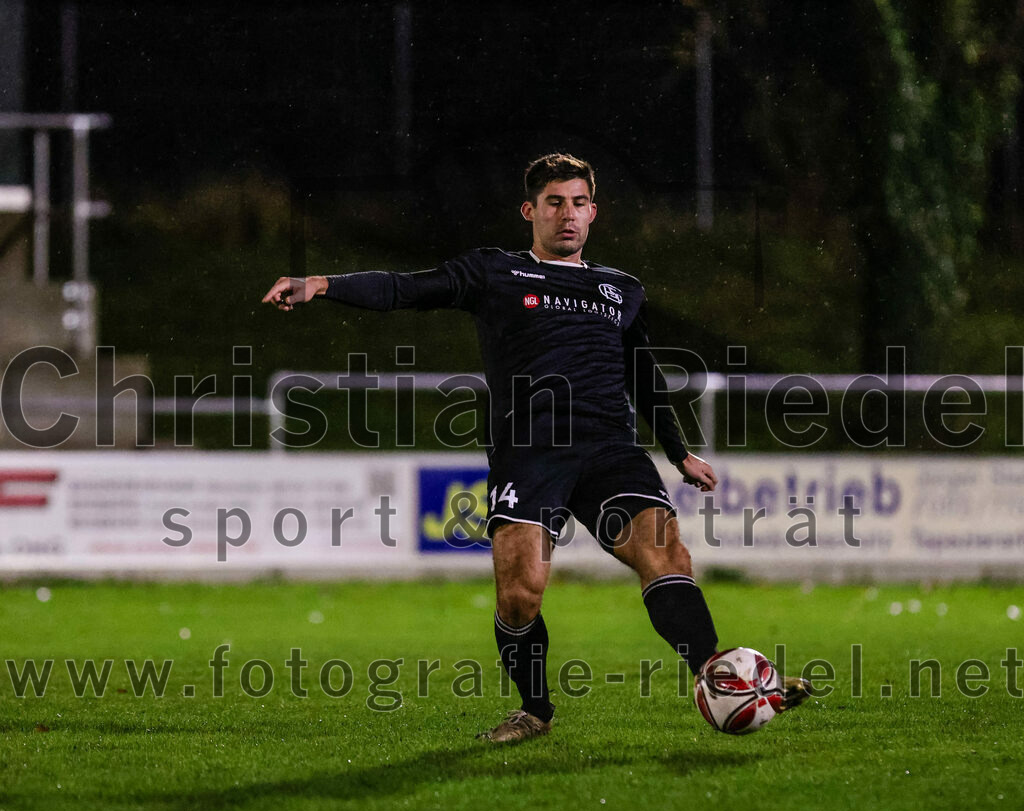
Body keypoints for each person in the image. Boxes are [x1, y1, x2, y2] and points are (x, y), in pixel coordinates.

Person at [262, 152, 810, 743]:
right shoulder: (495, 273)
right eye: (554, 203)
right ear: (530, 211)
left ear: (594, 212)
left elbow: (644, 375)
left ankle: (716, 674)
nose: (567, 215)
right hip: (530, 451)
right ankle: (536, 712)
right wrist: (322, 284)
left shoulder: (620, 290)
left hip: (609, 448)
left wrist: (678, 453)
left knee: (667, 555)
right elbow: (407, 288)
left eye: (578, 203)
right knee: (520, 595)